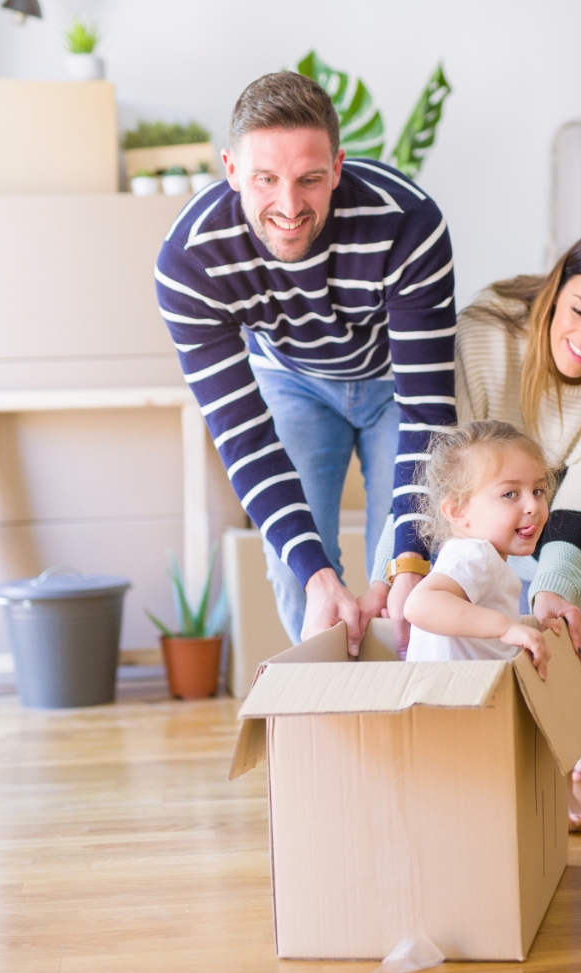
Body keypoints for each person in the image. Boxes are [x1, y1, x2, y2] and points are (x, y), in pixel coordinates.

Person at [155, 71, 456, 657]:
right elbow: (242, 436)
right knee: (298, 573)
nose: (289, 207)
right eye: (265, 179)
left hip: (394, 384)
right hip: (289, 379)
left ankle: (403, 730)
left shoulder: (408, 224)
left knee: (401, 577)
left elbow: (428, 410)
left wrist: (411, 559)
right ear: (231, 168)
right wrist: (318, 577)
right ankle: (336, 735)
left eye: (310, 180)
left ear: (338, 168)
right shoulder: (190, 261)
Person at [372, 222, 581, 787]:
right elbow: (440, 474)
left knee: (562, 641)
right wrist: (398, 567)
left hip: (559, 517)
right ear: (556, 287)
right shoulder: (488, 331)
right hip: (480, 510)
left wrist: (553, 592)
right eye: (579, 311)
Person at [402, 420, 581, 831]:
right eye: (510, 494)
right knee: (555, 701)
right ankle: (561, 788)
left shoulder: (485, 558)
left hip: (471, 700)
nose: (532, 505)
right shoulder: (473, 556)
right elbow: (420, 604)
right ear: (458, 511)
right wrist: (507, 629)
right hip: (461, 708)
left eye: (539, 490)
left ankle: (564, 774)